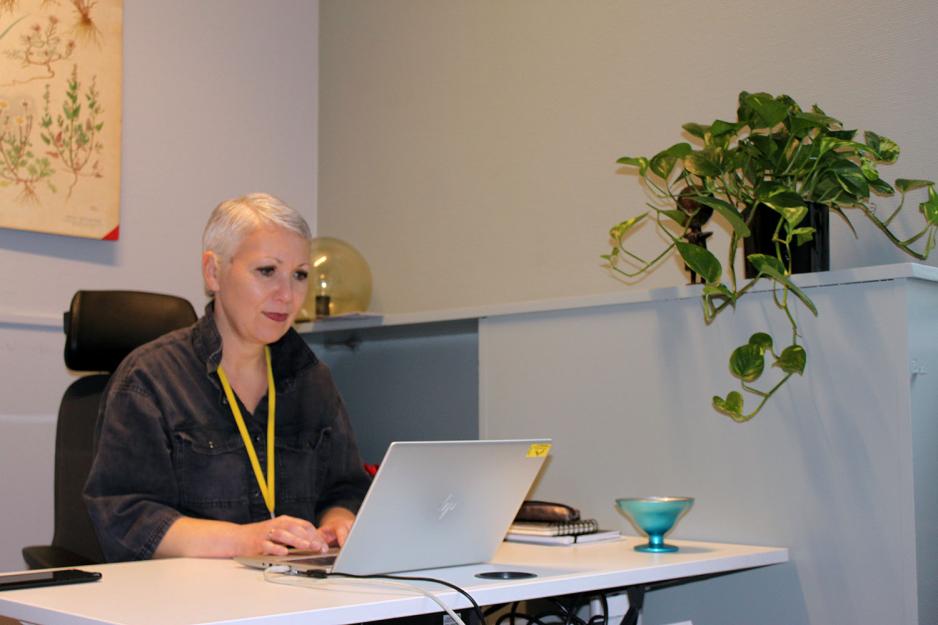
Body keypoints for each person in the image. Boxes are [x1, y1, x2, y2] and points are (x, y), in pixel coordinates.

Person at [84, 193, 371, 562]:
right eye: (267, 271)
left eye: (299, 275)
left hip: (297, 587)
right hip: (191, 594)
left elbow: (346, 489)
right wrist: (242, 540)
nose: (287, 295)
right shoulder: (148, 380)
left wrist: (339, 522)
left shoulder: (313, 380)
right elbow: (126, 517)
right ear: (213, 272)